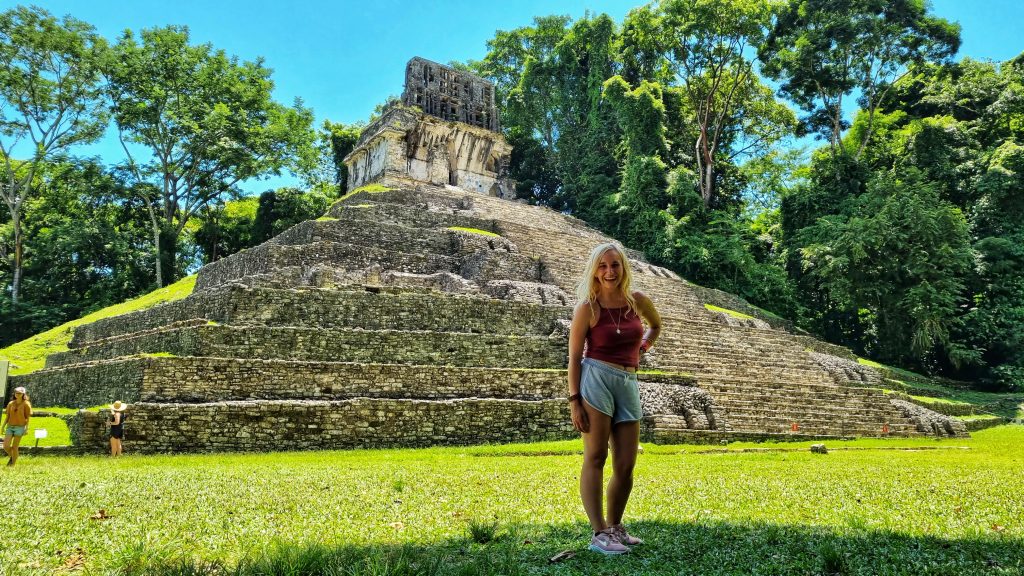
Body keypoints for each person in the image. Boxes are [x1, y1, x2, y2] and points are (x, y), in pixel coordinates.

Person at [568, 242, 662, 555]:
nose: (610, 271)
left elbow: (656, 326)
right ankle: (598, 532)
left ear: (623, 267)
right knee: (595, 456)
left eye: (615, 265)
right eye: (603, 266)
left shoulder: (637, 301)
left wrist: (642, 350)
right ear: (595, 270)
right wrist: (574, 400)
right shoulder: (588, 308)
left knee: (626, 462)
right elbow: (572, 358)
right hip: (596, 378)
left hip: (628, 381)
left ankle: (616, 526)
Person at [2, 387, 32, 468]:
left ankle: (12, 464)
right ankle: (13, 457)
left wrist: (26, 428)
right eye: (16, 393)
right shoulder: (10, 403)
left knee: (15, 447)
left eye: (19, 393)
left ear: (23, 394)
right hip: (10, 426)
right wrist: (2, 426)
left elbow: (28, 417)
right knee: (6, 446)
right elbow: (7, 416)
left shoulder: (26, 404)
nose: (17, 394)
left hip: (20, 427)